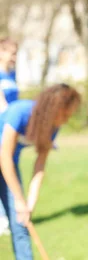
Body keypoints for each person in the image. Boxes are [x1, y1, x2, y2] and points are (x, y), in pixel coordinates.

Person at [0, 83, 81, 260]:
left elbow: (40, 165)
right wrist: (19, 200)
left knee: (21, 224)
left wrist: (29, 203)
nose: (67, 119)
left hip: (9, 168)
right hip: (5, 162)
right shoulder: (19, 112)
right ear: (54, 107)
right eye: (66, 113)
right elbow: (4, 156)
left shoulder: (52, 127)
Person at [0, 38, 19, 236]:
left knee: (9, 170)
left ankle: (9, 213)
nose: (14, 57)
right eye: (12, 52)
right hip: (2, 126)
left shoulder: (11, 74)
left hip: (10, 128)